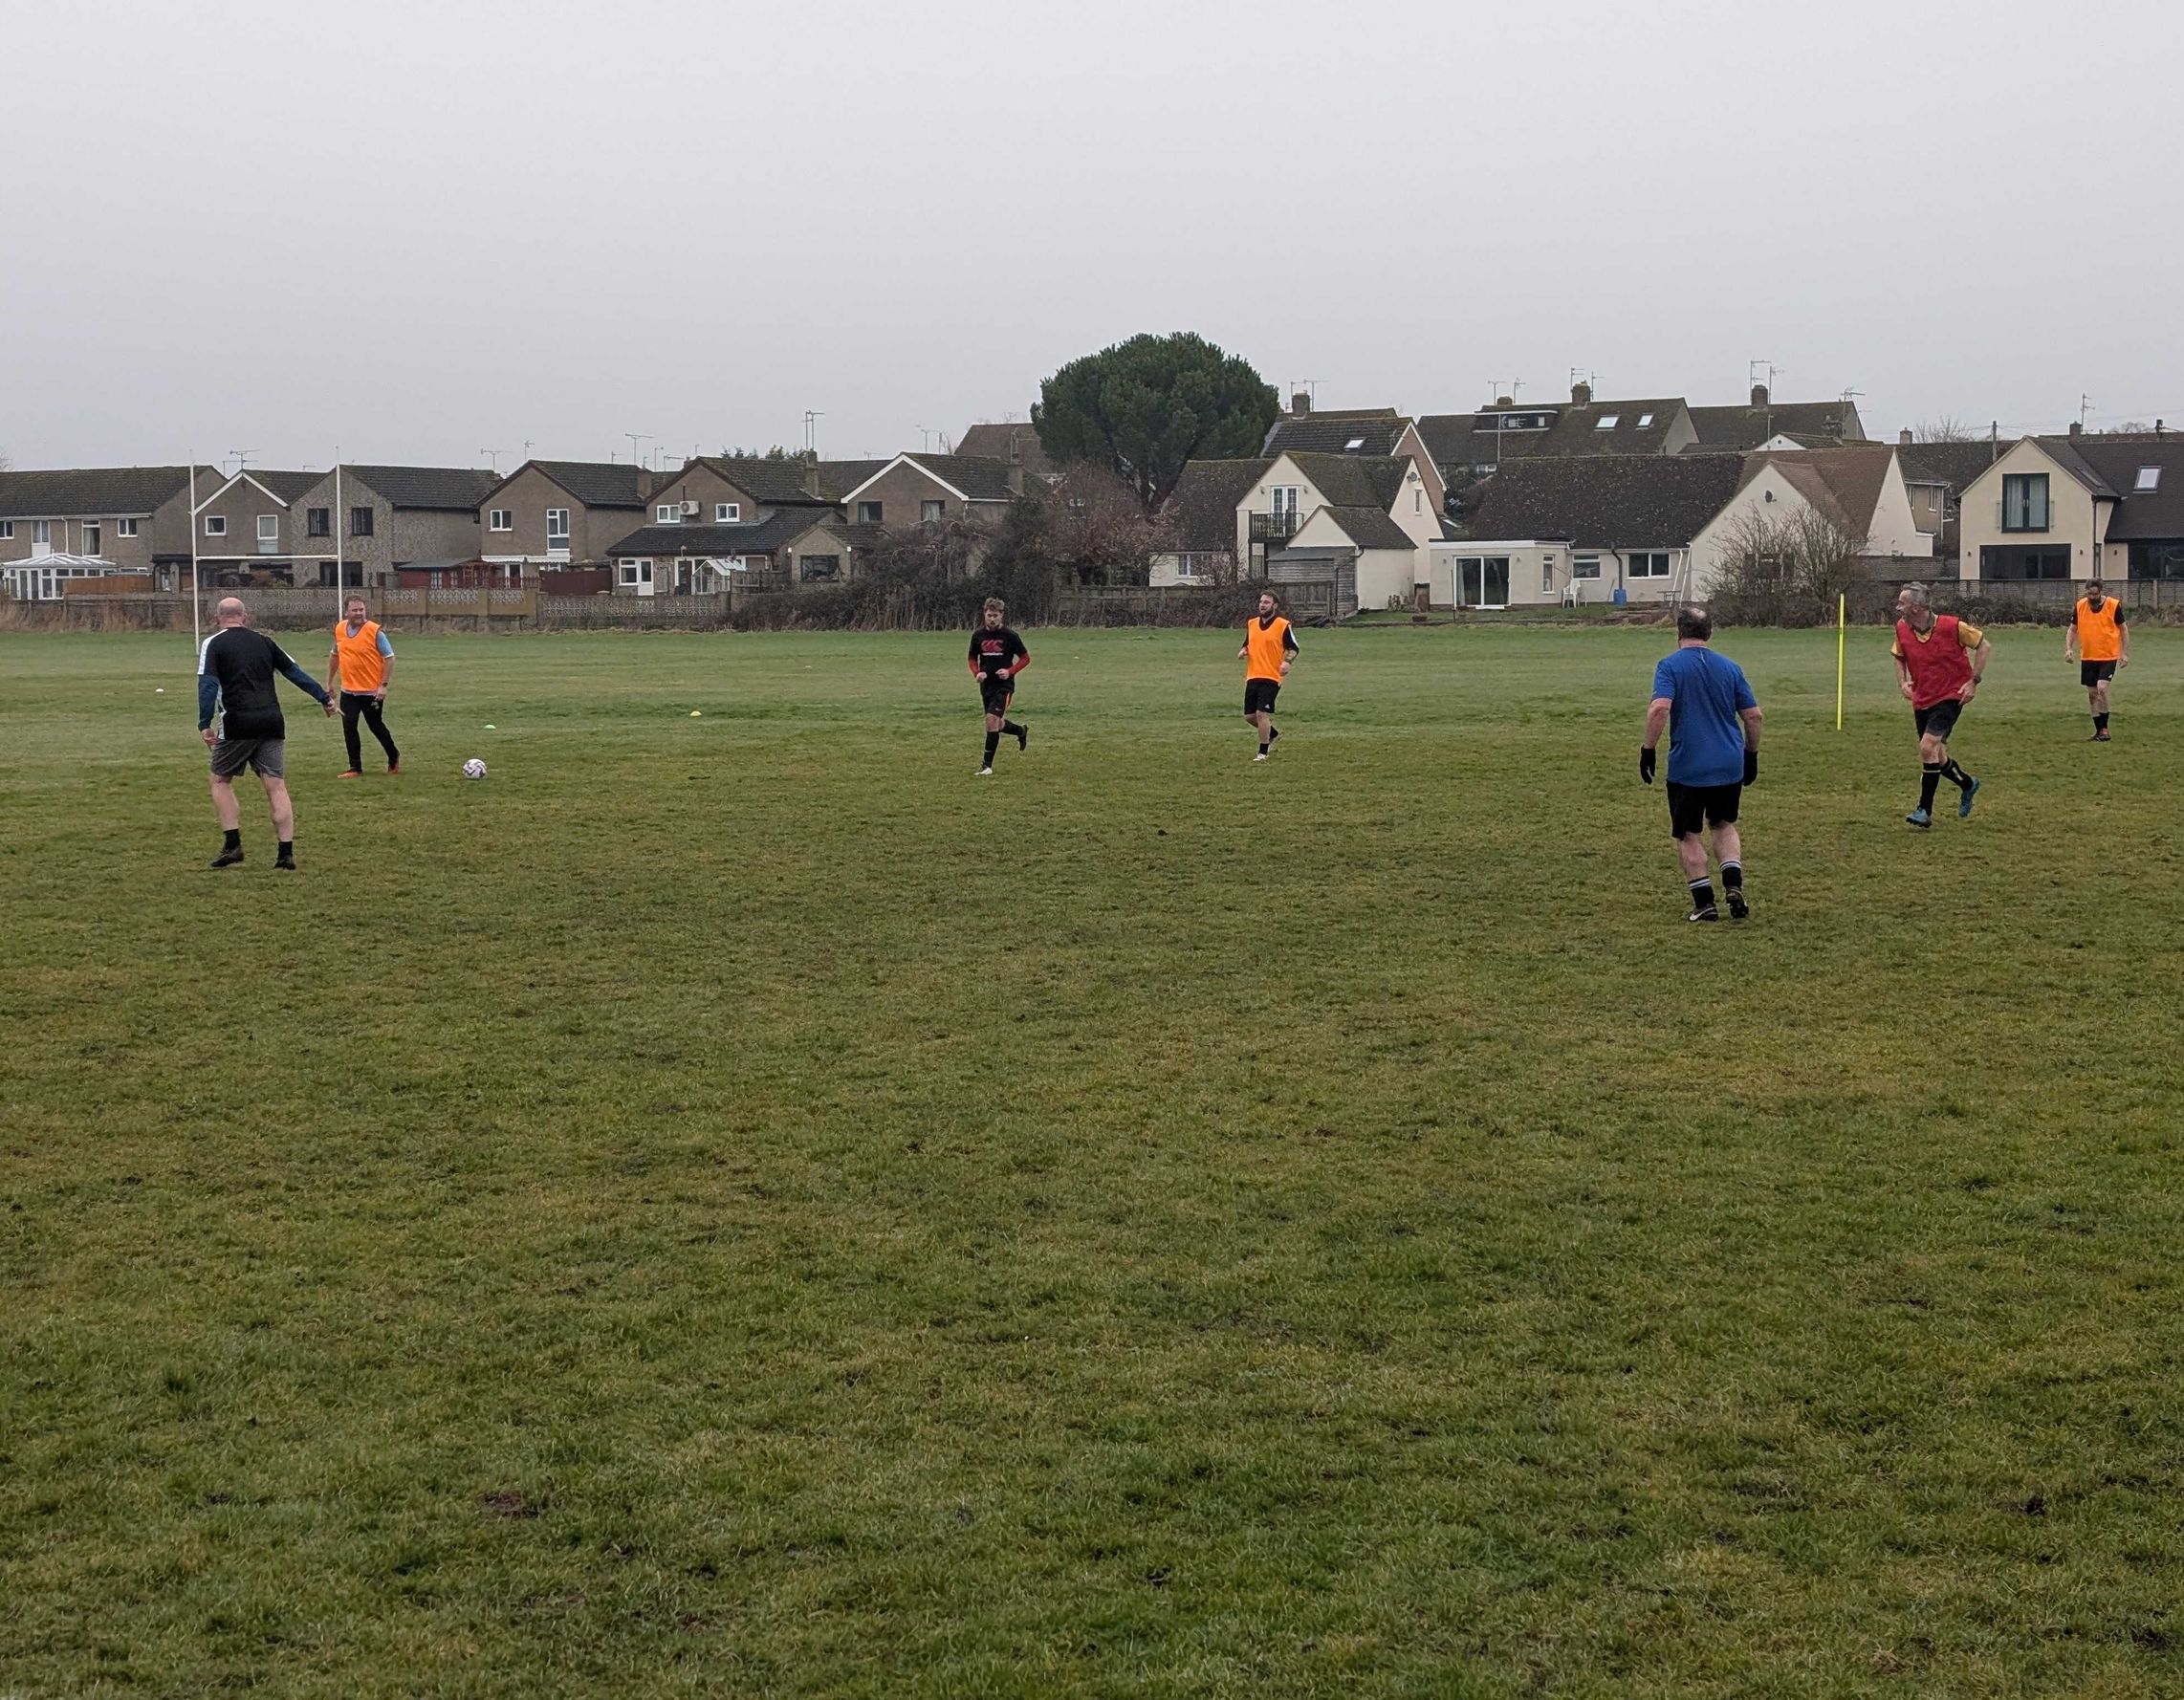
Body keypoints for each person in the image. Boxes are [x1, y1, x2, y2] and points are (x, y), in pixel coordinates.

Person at [1640, 604, 1762, 922]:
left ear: (1678, 631)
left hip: (1688, 768)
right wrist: (1751, 754)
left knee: (1688, 834)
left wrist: (1648, 749)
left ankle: (1704, 902)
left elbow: (1659, 710)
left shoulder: (1670, 666)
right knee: (1723, 825)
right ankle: (1733, 886)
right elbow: (1753, 716)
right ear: (1709, 633)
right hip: (1728, 764)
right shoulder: (1730, 667)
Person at [197, 597, 336, 868]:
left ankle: (233, 845)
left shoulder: (212, 643)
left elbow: (208, 685)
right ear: (245, 617)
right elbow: (295, 673)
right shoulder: (265, 641)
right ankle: (286, 854)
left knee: (220, 780)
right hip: (272, 719)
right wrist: (324, 697)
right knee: (276, 785)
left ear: (217, 619)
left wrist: (204, 723)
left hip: (237, 721)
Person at [1891, 582, 1990, 828]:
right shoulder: (1902, 628)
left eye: (1902, 603)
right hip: (1922, 698)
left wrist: (1973, 682)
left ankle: (1924, 811)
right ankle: (1967, 784)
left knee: (1927, 747)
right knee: (1937, 755)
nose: (1897, 607)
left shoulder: (1952, 626)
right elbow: (1898, 655)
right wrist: (1903, 682)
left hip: (1950, 696)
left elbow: (1984, 646)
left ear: (1916, 607)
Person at [327, 593, 402, 775]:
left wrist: (383, 685)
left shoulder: (375, 632)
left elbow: (389, 658)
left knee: (376, 726)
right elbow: (335, 656)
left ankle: (393, 756)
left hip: (371, 692)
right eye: (355, 610)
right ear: (346, 612)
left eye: (361, 609)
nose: (359, 613)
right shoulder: (340, 629)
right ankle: (355, 767)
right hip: (349, 692)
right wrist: (329, 682)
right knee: (349, 726)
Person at [967, 598, 1030, 776]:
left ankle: (986, 766)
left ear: (1001, 615)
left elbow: (1025, 658)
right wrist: (977, 673)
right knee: (996, 723)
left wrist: (1010, 671)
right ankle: (1020, 730)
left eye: (995, 615)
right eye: (989, 615)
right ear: (984, 615)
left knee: (990, 720)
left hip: (1004, 686)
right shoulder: (978, 636)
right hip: (987, 686)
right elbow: (972, 658)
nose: (992, 619)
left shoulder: (1010, 636)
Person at [2064, 578, 2129, 740]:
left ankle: (2105, 729)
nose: (2092, 597)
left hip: (2108, 655)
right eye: (2089, 593)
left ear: (2101, 592)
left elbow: (2123, 629)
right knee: (2092, 694)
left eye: (2095, 594)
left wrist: (2124, 653)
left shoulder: (2113, 606)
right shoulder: (2080, 606)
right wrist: (2069, 649)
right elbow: (2072, 630)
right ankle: (2099, 730)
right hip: (2088, 656)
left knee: (2101, 688)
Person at [1238, 590, 1297, 761]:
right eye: (1261, 602)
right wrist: (1243, 651)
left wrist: (1287, 662)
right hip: (1253, 675)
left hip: (1272, 676)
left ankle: (1263, 752)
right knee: (1249, 716)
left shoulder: (1282, 625)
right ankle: (1273, 734)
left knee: (1261, 713)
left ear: (1274, 606)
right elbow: (1248, 644)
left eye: (1267, 602)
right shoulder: (1252, 624)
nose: (1262, 605)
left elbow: (1293, 648)